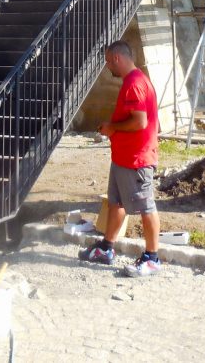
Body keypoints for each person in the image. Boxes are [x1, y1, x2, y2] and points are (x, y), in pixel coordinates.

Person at [79, 40, 161, 276]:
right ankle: (107, 247)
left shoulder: (135, 83)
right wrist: (112, 129)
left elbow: (139, 121)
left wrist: (112, 128)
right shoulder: (134, 80)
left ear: (116, 58)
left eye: (107, 61)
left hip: (137, 159)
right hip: (123, 158)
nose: (107, 66)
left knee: (146, 207)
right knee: (116, 203)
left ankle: (152, 258)